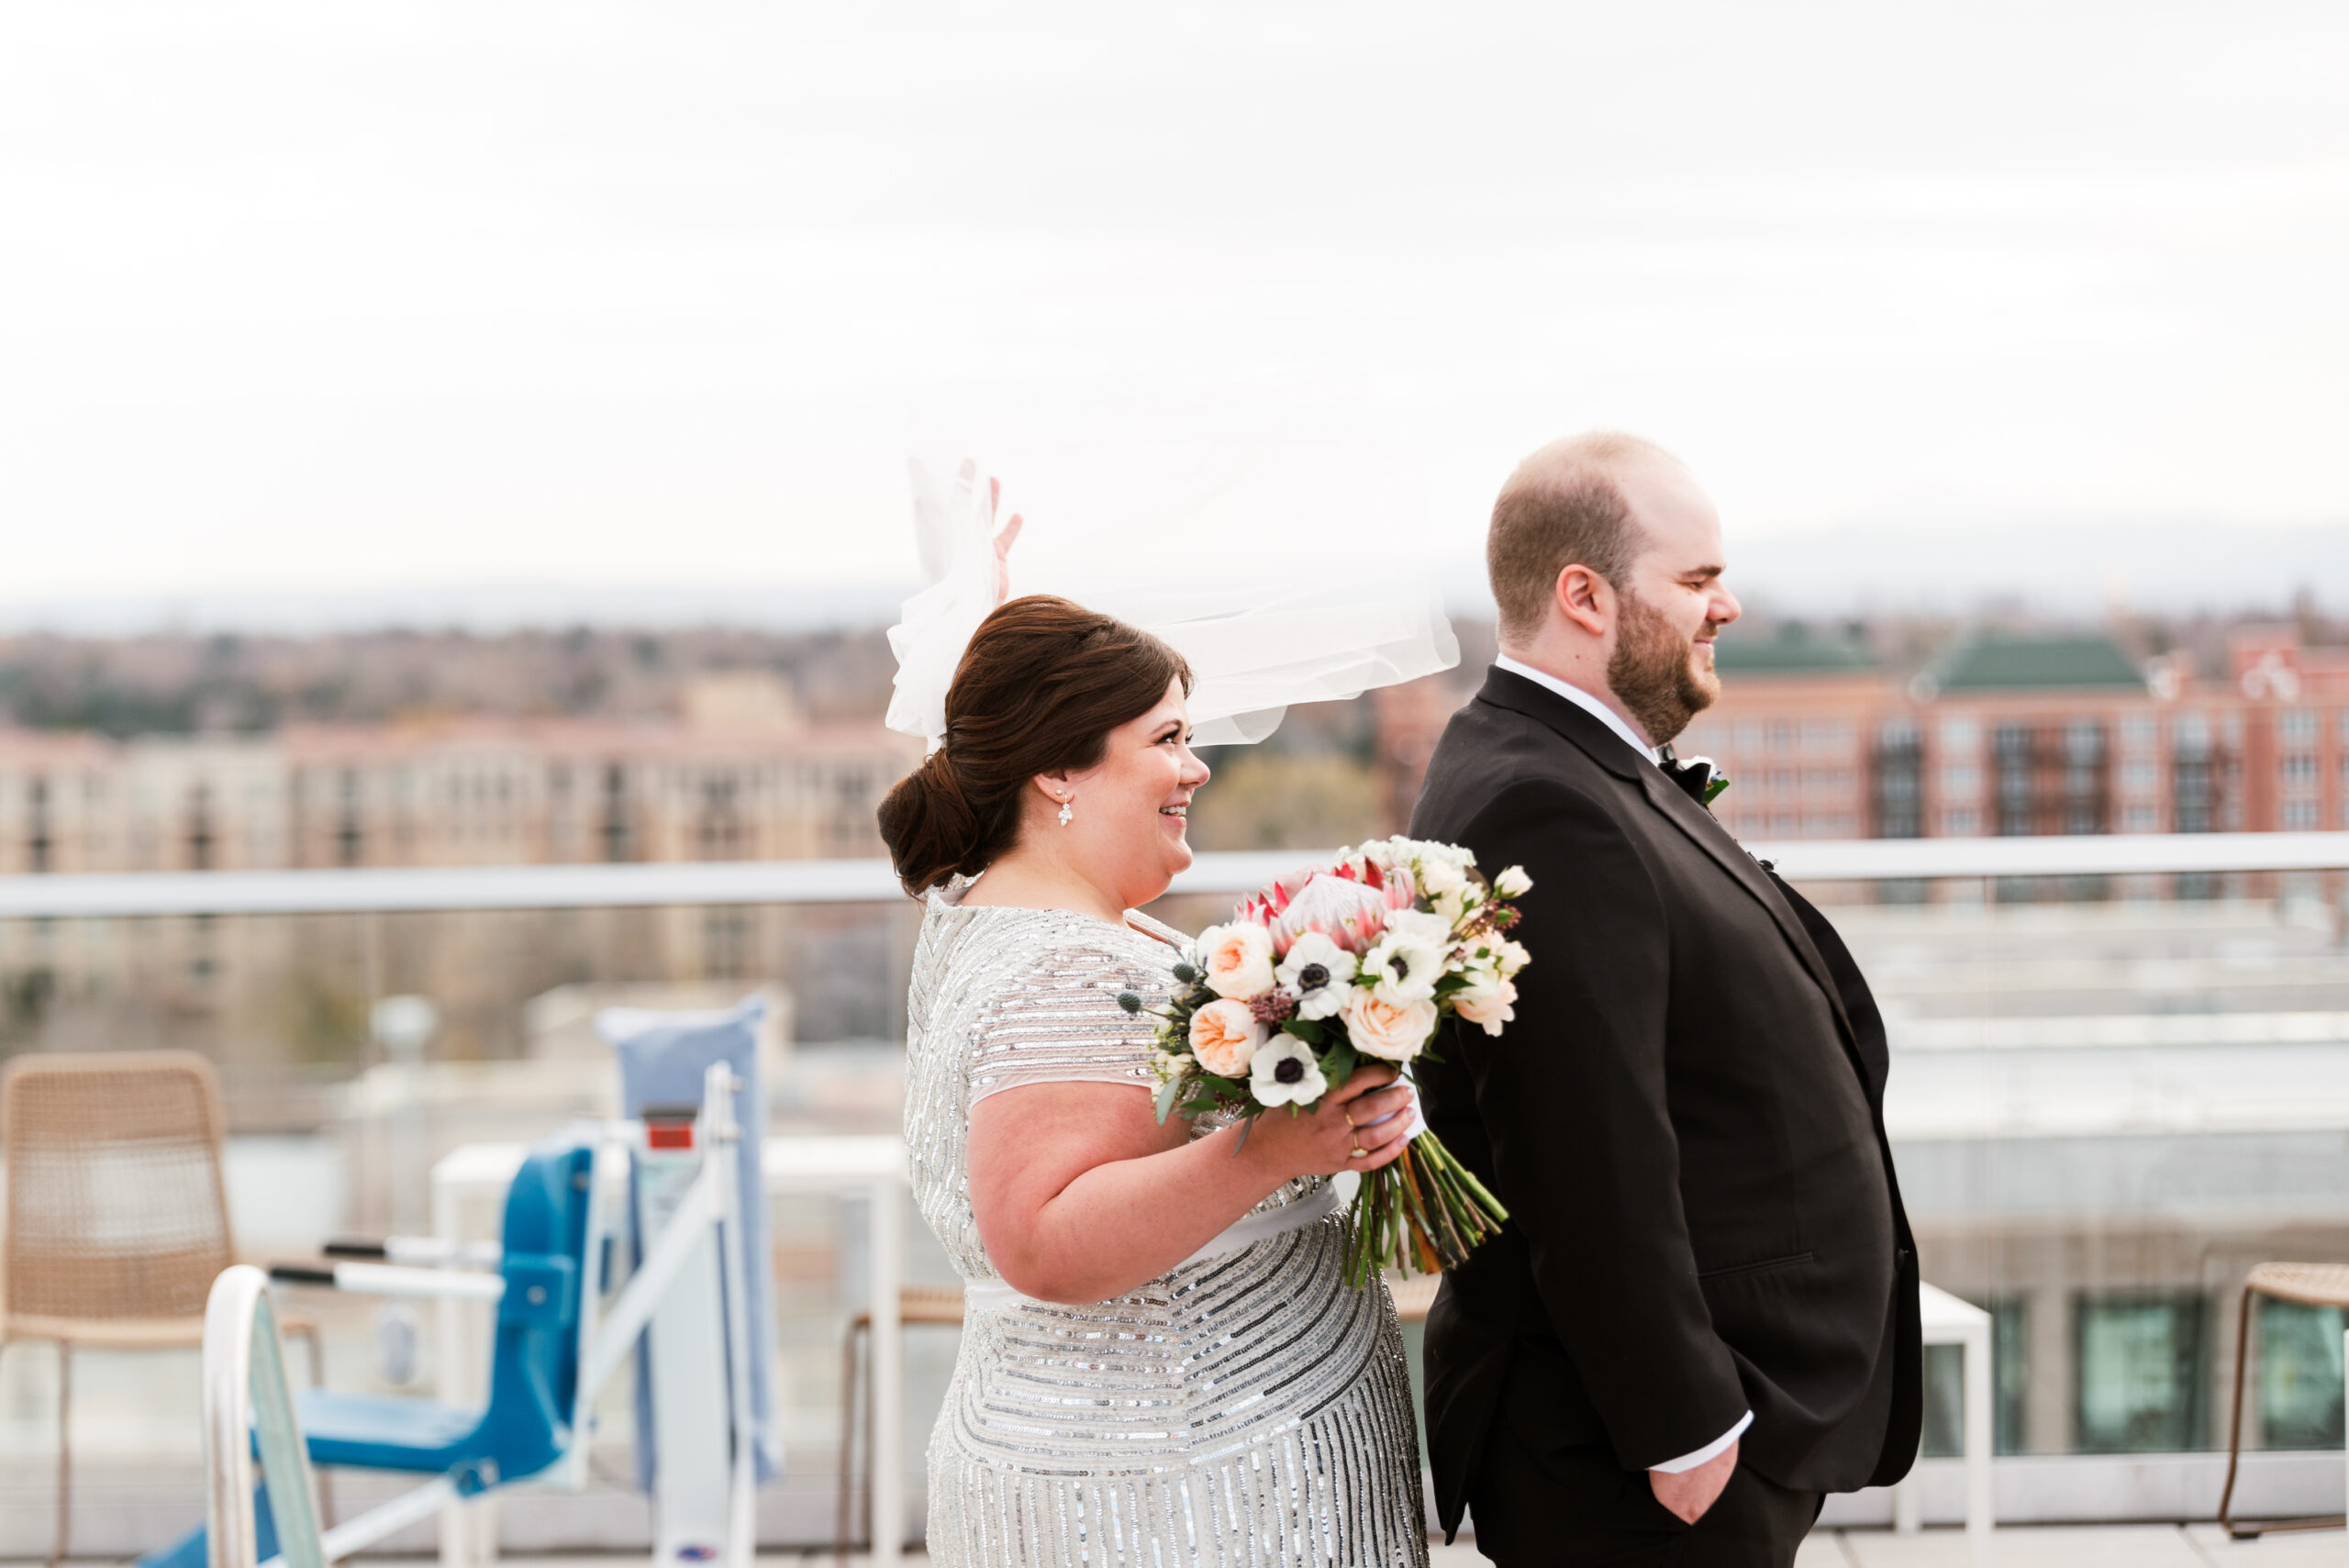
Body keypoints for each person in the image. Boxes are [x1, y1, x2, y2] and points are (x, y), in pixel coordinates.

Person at [1408, 434, 1921, 1565]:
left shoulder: (1571, 761)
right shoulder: (1542, 800)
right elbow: (1584, 1143)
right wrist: (1686, 1423)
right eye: (1695, 580)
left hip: (1689, 1431)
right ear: (1582, 595)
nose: (1725, 604)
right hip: (1642, 1456)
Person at [879, 593, 1432, 1568]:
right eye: (1168, 737)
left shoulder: (1010, 912)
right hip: (1179, 1491)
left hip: (1198, 1466)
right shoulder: (1061, 961)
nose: (1196, 766)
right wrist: (1272, 1148)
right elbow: (1043, 1237)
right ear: (1056, 766)